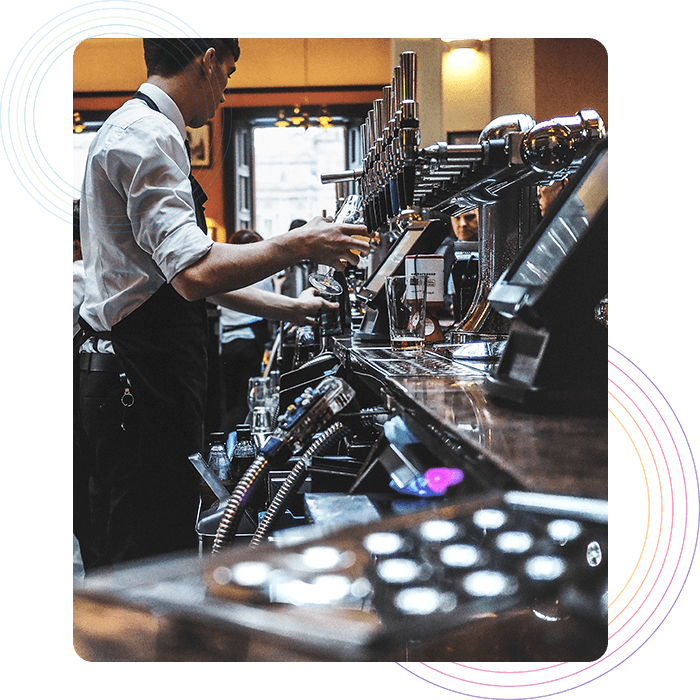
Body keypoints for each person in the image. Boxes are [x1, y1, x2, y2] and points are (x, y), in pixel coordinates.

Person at [77, 37, 369, 570]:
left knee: (147, 546)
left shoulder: (137, 127)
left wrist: (291, 309)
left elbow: (179, 270)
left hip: (133, 375)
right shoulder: (148, 134)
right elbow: (193, 273)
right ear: (208, 61)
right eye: (229, 77)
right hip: (135, 384)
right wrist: (299, 244)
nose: (224, 96)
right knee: (145, 561)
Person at [218, 229, 275, 432]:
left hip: (227, 344)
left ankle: (226, 441)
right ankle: (241, 444)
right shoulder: (258, 273)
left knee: (232, 401)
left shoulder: (222, 273)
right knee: (248, 401)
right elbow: (271, 307)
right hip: (250, 342)